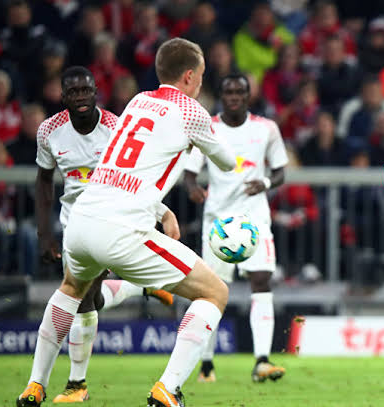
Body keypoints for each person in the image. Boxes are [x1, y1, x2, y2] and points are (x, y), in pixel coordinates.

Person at [17, 38, 237, 407]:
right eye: (200, 76)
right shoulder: (192, 111)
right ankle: (167, 389)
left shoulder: (137, 101)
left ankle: (34, 386)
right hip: (123, 228)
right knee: (215, 292)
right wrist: (198, 141)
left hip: (81, 220)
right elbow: (228, 163)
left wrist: (163, 209)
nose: (201, 83)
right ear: (189, 76)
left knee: (71, 289)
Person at [31, 66, 174, 403]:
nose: (81, 97)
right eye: (73, 92)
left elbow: (136, 177)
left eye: (86, 90)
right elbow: (44, 182)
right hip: (73, 224)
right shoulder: (49, 131)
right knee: (90, 300)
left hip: (111, 220)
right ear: (63, 97)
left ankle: (76, 384)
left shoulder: (116, 128)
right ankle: (137, 286)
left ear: (96, 92)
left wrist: (158, 213)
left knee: (81, 300)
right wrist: (44, 234)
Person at [184, 73, 288, 383]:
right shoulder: (208, 128)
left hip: (254, 219)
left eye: (239, 92)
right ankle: (206, 363)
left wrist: (265, 183)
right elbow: (190, 172)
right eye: (228, 92)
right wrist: (192, 188)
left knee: (262, 280)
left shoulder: (266, 128)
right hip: (218, 223)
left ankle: (262, 361)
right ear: (221, 95)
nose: (234, 97)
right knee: (211, 291)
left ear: (247, 95)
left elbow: (280, 171)